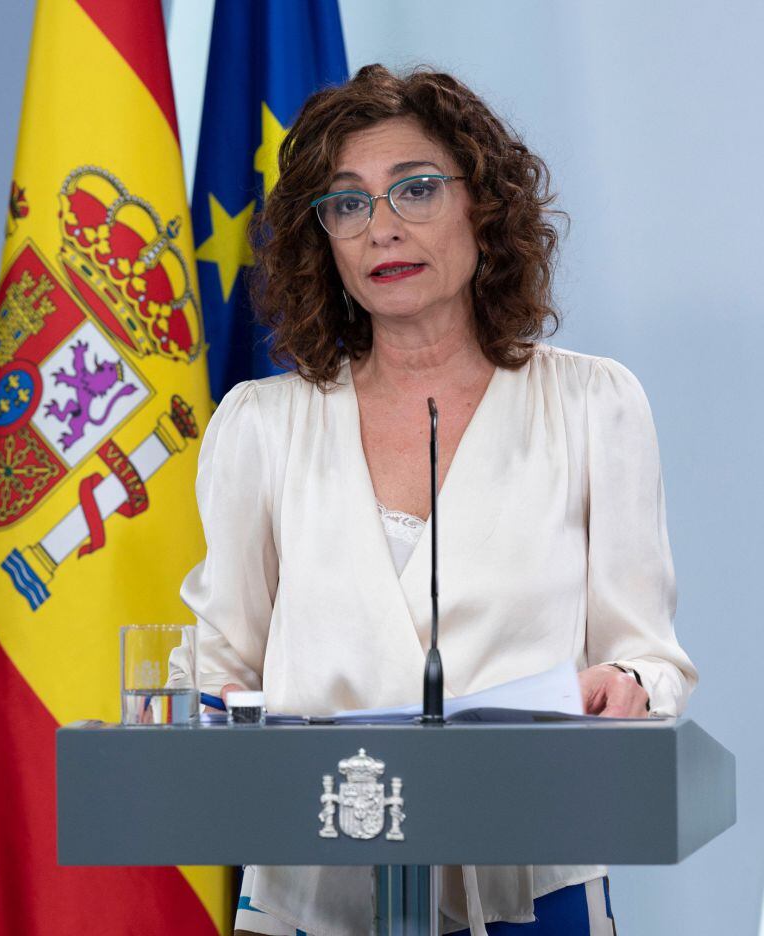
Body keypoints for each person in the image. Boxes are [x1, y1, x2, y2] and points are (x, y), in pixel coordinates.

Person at [179, 65, 697, 936]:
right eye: (346, 204)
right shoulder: (261, 425)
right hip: (315, 890)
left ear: (483, 210)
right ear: (325, 242)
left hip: (536, 884)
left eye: (414, 190)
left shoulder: (591, 405)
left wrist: (630, 686)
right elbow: (219, 666)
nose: (381, 228)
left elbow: (651, 657)